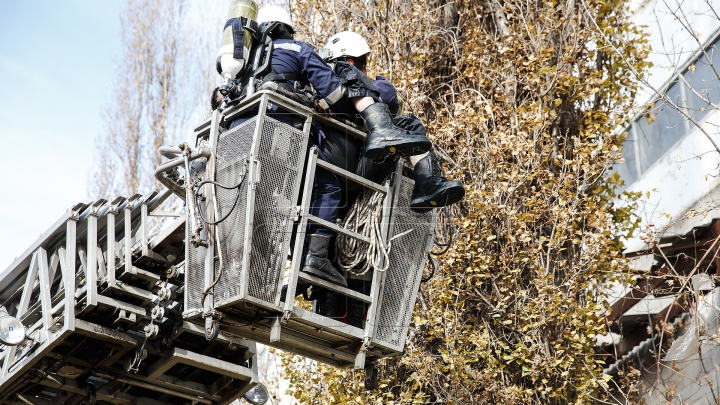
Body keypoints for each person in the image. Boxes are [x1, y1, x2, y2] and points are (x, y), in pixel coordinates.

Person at [223, 7, 432, 295]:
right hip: (283, 136)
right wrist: (354, 103)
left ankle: (280, 271)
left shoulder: (243, 65)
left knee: (278, 204)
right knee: (326, 187)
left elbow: (218, 101)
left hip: (237, 140)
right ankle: (315, 259)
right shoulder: (298, 49)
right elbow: (335, 93)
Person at [323, 31, 466, 214]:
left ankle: (427, 182)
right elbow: (385, 93)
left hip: (348, 163)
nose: (365, 69)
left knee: (408, 126)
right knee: (406, 123)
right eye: (362, 62)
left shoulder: (339, 86)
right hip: (341, 159)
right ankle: (425, 179)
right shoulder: (340, 81)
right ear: (348, 62)